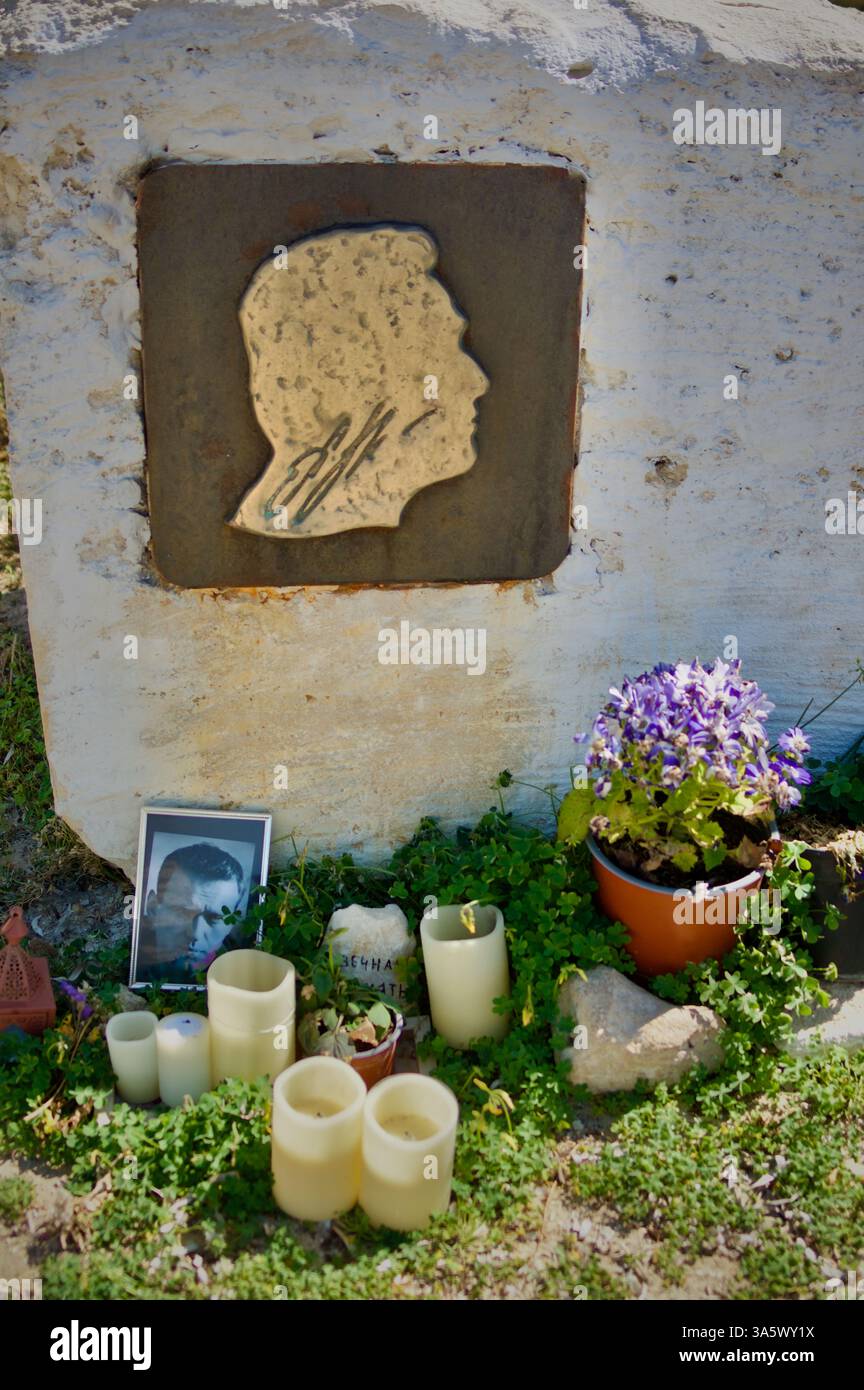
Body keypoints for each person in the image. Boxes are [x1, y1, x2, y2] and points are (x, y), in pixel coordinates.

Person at [136, 842, 246, 984]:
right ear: (152, 908)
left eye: (215, 918)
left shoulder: (243, 973)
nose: (196, 934)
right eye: (182, 913)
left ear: (233, 921)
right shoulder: (122, 958)